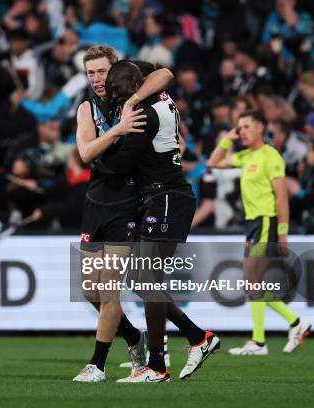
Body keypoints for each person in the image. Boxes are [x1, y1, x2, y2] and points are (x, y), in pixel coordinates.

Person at [98, 61, 220, 383]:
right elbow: (161, 71)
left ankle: (157, 366)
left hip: (165, 198)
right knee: (142, 279)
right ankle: (197, 337)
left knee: (148, 279)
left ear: (126, 89)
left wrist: (101, 146)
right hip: (166, 198)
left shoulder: (143, 113)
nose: (111, 96)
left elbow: (121, 163)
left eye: (114, 91)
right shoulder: (159, 99)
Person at [71, 45, 175, 383]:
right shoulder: (86, 108)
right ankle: (134, 338)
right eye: (91, 73)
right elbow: (86, 152)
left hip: (126, 203)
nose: (97, 79)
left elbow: (164, 74)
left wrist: (130, 102)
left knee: (109, 288)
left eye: (102, 71)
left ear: (115, 69)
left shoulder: (131, 95)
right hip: (94, 202)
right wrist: (117, 129)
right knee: (90, 290)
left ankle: (97, 365)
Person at [207, 110, 311, 355]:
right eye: (239, 127)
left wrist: (283, 234)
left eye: (246, 126)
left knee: (250, 281)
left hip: (266, 222)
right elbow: (213, 162)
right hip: (252, 224)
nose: (241, 131)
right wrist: (228, 139)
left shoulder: (270, 156)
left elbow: (282, 197)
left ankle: (271, 335)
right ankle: (279, 331)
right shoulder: (245, 156)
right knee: (252, 283)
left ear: (261, 128)